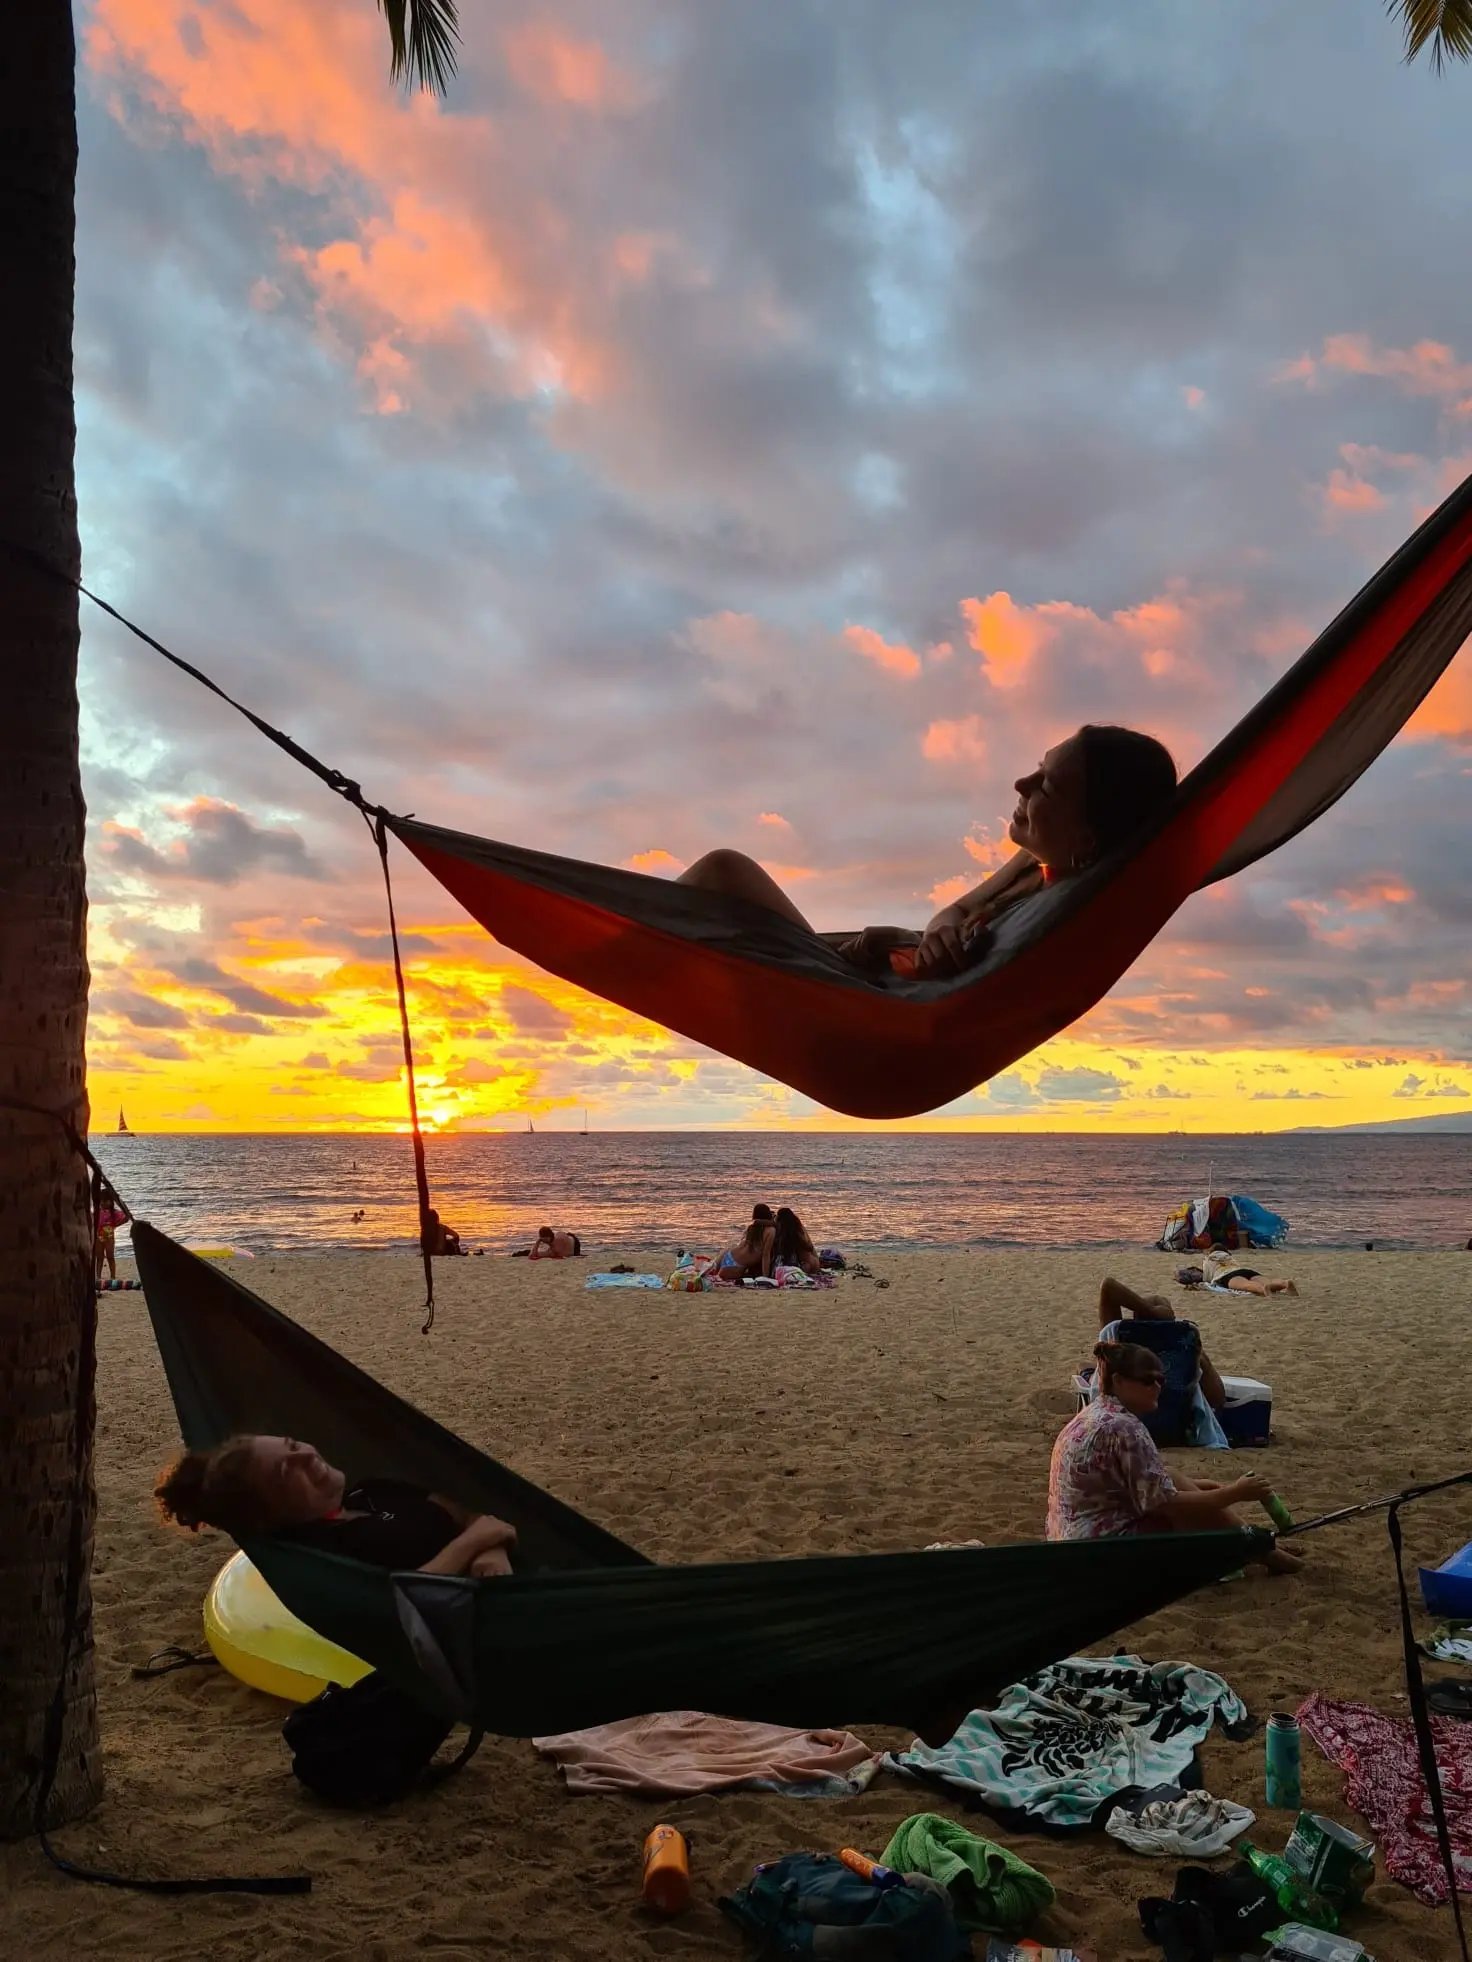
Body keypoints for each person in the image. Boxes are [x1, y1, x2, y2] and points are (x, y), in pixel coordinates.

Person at [674, 725, 1177, 977]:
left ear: (1087, 838)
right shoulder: (1043, 866)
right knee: (721, 889)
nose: (1021, 783)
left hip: (869, 1011)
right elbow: (956, 911)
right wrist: (938, 933)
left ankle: (606, 947)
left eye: (1045, 786)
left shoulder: (1066, 913)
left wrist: (920, 953)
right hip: (868, 980)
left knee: (725, 874)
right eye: (1036, 768)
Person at [1048, 1341, 1302, 1574]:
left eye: (1161, 1380)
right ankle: (1264, 1551)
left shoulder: (1096, 1413)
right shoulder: (1124, 1428)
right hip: (1099, 1549)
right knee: (1195, 1509)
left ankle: (1263, 1548)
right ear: (1118, 1381)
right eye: (1148, 1381)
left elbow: (1145, 1487)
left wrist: (1209, 1490)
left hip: (1070, 1538)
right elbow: (1166, 1505)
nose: (1158, 1387)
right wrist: (1234, 1493)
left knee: (1180, 1480)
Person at [156, 1434, 517, 1577]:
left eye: (294, 1446)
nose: (307, 1457)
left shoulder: (374, 1489)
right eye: (286, 1471)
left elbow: (470, 1516)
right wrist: (475, 1544)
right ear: (270, 1512)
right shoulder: (325, 1551)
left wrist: (492, 1550)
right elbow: (402, 1603)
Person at [1098, 1275, 1224, 1409]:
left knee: (1084, 1367)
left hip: (1132, 1416)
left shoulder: (1120, 1350)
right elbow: (1218, 1400)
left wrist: (1149, 1311)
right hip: (1176, 1424)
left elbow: (1108, 1286)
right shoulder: (1188, 1352)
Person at [1198, 1249, 1297, 1297]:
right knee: (1269, 1281)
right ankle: (1285, 1283)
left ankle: (1263, 1290)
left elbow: (1206, 1278)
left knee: (1247, 1285)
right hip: (1245, 1270)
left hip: (1227, 1275)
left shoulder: (1209, 1259)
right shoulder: (1229, 1257)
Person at [711, 1214, 775, 1281]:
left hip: (727, 1254)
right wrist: (766, 1277)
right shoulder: (770, 1231)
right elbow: (766, 1255)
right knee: (717, 1278)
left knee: (711, 1275)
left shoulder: (751, 1229)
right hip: (737, 1265)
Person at [771, 1206, 822, 1277]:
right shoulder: (800, 1228)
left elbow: (780, 1251)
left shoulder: (790, 1235)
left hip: (806, 1266)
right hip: (815, 1263)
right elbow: (810, 1247)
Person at [94, 1186, 127, 1289]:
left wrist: (116, 1225)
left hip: (109, 1238)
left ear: (111, 1201)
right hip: (98, 1237)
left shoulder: (115, 1212)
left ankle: (113, 1277)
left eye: (106, 1201)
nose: (103, 1203)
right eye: (101, 1201)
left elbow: (126, 1217)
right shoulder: (97, 1212)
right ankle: (98, 1277)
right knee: (99, 1258)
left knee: (110, 1257)